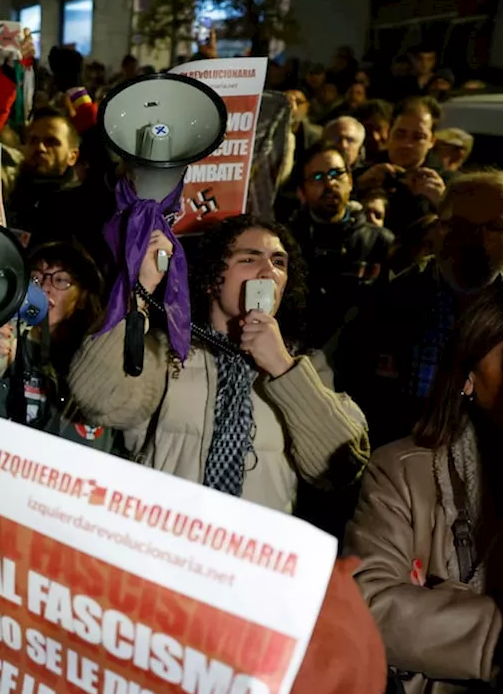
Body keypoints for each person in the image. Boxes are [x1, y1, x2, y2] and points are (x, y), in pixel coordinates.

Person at [67, 215, 370, 514]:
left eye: (279, 263)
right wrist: (140, 289)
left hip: (254, 554)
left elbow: (340, 468)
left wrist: (283, 368)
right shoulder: (168, 352)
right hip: (162, 544)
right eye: (249, 260)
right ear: (213, 279)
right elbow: (98, 397)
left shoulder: (307, 366)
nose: (268, 272)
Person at [347, 281, 503, 694]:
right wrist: (495, 635)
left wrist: (440, 610)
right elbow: (368, 606)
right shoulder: (403, 469)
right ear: (466, 376)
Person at [336, 171, 503, 448]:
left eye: (492, 227)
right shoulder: (387, 301)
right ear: (440, 227)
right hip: (392, 461)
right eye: (460, 225)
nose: (475, 239)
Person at [0, 241, 110, 467]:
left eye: (60, 280)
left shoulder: (91, 363)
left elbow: (92, 461)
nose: (45, 287)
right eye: (36, 278)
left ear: (82, 297)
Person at [288, 143, 394, 348]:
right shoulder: (287, 241)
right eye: (317, 177)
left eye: (337, 173)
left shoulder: (379, 242)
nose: (329, 183)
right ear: (302, 191)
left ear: (351, 181)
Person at [6, 107, 115, 271]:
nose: (40, 148)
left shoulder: (88, 205)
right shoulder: (9, 196)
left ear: (73, 156)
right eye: (33, 140)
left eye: (51, 142)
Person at [355, 97, 446, 235]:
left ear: (432, 141)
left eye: (418, 137)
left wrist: (444, 204)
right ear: (389, 133)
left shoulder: (447, 184)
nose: (406, 144)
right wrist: (357, 189)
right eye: (400, 134)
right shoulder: (365, 174)